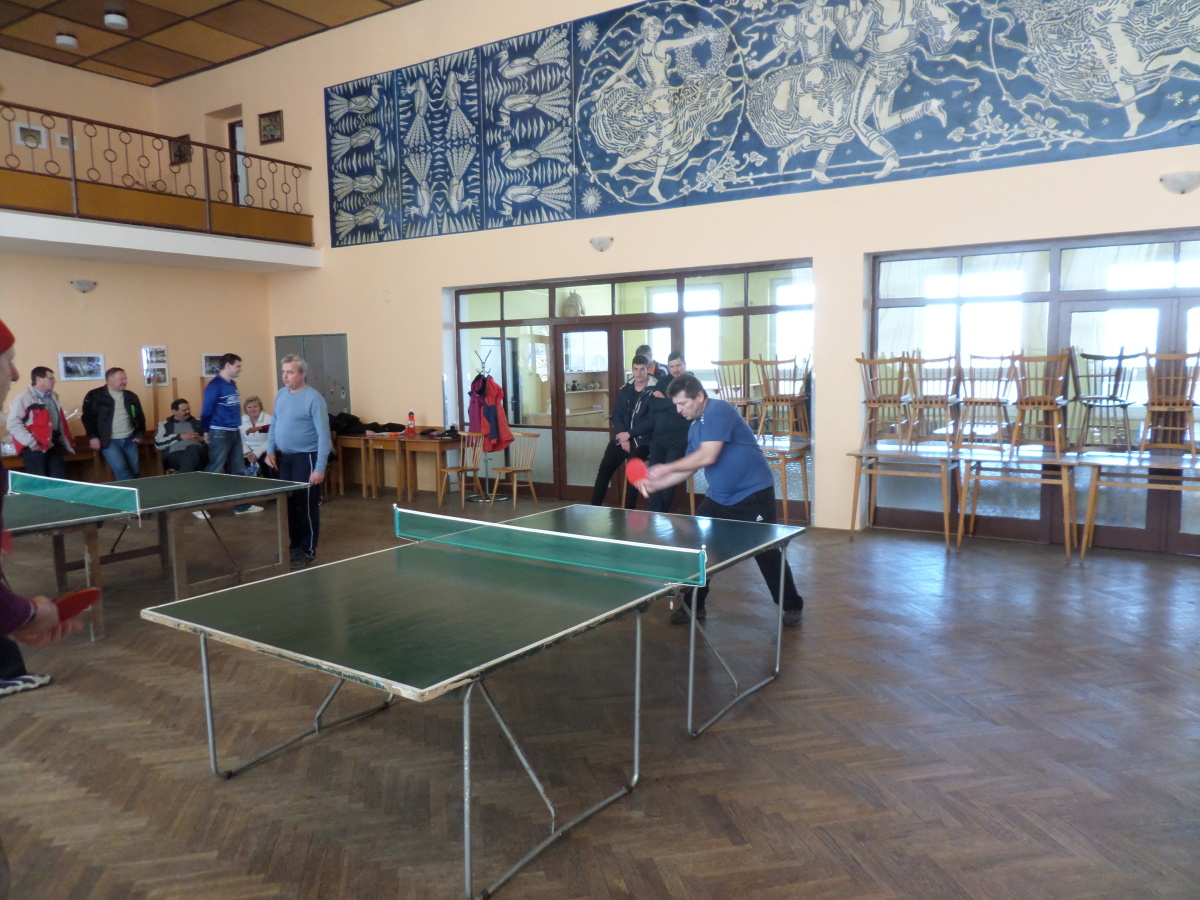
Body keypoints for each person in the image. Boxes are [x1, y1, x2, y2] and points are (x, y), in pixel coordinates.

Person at [637, 373, 804, 627]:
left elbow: (708, 456)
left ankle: (792, 605)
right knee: (700, 548)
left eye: (682, 403)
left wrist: (664, 468)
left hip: (753, 495)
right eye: (676, 405)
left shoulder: (718, 410)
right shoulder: (695, 428)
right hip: (720, 498)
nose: (679, 410)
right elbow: (690, 466)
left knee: (766, 552)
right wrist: (656, 483)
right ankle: (694, 605)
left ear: (699, 397)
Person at [0, 317, 84, 701]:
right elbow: (17, 424)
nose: (15, 372)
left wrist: (13, 619)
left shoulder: (52, 399)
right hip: (35, 451)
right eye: (8, 359)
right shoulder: (23, 399)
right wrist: (25, 615)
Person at [265, 355, 331, 568]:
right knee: (290, 506)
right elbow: (274, 423)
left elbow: (324, 435)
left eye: (290, 372)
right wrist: (270, 450)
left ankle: (308, 550)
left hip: (307, 458)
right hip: (285, 459)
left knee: (306, 506)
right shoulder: (281, 394)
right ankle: (294, 547)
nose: (285, 376)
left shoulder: (314, 398)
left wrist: (320, 467)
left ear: (302, 374)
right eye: (283, 372)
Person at [590, 354, 656, 509]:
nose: (639, 373)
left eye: (642, 369)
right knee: (604, 469)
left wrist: (629, 434)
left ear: (647, 370)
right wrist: (623, 436)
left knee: (633, 474)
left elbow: (651, 422)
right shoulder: (625, 389)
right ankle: (593, 507)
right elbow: (617, 414)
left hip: (642, 440)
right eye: (636, 369)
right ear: (632, 370)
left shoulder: (655, 391)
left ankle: (628, 512)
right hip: (622, 438)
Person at [201, 353, 261, 514]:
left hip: (234, 431)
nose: (240, 369)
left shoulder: (232, 384)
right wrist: (206, 430)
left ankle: (241, 505)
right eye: (237, 366)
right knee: (215, 468)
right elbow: (206, 411)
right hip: (220, 432)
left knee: (238, 469)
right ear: (228, 365)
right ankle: (199, 506)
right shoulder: (214, 386)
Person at [5, 366, 73, 478]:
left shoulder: (53, 396)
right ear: (39, 379)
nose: (54, 381)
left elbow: (58, 422)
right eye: (50, 378)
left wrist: (64, 442)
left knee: (59, 480)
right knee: (39, 481)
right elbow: (13, 424)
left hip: (54, 444)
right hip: (35, 447)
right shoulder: (24, 398)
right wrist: (31, 443)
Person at [645, 352, 691, 513]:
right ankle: (654, 513)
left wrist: (665, 401)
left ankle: (663, 514)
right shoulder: (663, 381)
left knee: (667, 477)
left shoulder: (690, 383)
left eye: (678, 365)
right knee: (653, 476)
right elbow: (653, 405)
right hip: (658, 438)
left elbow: (686, 409)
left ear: (684, 365)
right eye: (672, 366)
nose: (675, 369)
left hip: (678, 438)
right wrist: (674, 402)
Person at [82, 367, 146, 481]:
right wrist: (93, 437)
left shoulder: (131, 396)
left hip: (130, 439)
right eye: (122, 379)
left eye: (126, 379)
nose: (125, 381)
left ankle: (135, 489)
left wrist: (140, 433)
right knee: (121, 469)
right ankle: (132, 491)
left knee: (135, 470)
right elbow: (88, 418)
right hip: (109, 440)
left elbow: (140, 416)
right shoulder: (94, 395)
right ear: (109, 379)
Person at [154, 398, 206, 473]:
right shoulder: (164, 424)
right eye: (184, 410)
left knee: (193, 449)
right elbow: (158, 444)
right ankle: (188, 476)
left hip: (199, 453)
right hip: (175, 454)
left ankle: (182, 477)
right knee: (194, 463)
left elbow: (212, 442)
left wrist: (201, 439)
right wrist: (179, 436)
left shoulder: (198, 422)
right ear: (174, 411)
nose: (188, 412)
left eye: (189, 409)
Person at [240, 395, 276, 478]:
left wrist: (256, 453)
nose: (252, 409)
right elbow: (239, 439)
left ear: (260, 407)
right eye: (249, 407)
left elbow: (271, 439)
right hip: (247, 452)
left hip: (264, 451)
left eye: (255, 406)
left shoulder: (269, 419)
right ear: (246, 409)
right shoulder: (241, 420)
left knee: (267, 463)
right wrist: (247, 452)